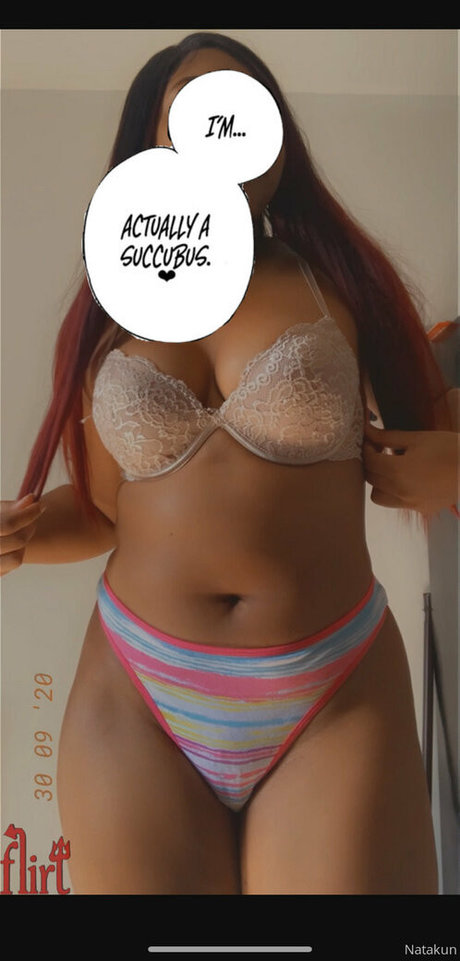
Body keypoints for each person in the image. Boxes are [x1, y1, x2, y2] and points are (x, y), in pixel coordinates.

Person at [1, 32, 455, 895]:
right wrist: (18, 537)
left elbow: (439, 432)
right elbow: (103, 510)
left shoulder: (340, 282)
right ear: (150, 143)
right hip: (137, 690)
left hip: (330, 684)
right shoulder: (113, 316)